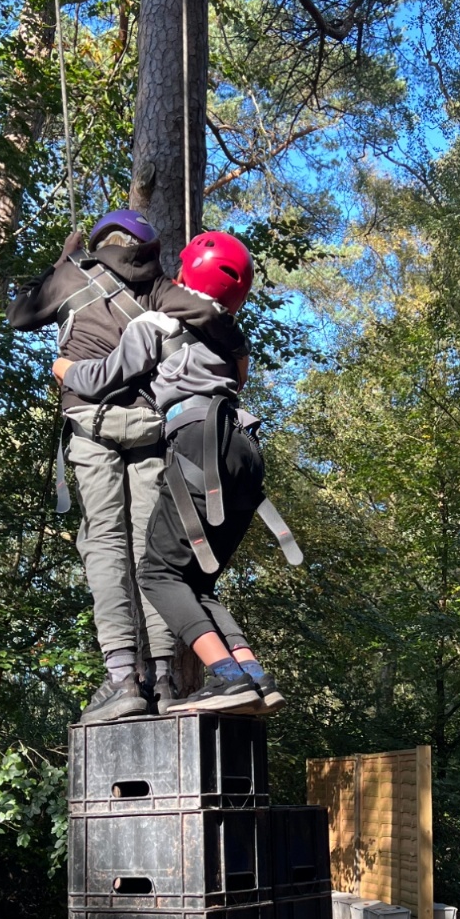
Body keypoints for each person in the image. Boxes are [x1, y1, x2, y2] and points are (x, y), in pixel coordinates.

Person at [8, 210, 249, 720]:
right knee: (152, 549)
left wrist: (58, 263)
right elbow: (211, 314)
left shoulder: (71, 275)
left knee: (104, 543)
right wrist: (237, 350)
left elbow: (20, 315)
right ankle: (164, 679)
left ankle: (122, 679)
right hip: (148, 427)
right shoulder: (160, 287)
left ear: (101, 242)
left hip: (90, 421)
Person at [55, 231, 286, 715]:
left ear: (182, 274)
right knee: (196, 582)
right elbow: (237, 378)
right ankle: (254, 677)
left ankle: (227, 679)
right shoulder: (234, 341)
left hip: (199, 442)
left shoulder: (156, 323)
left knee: (157, 573)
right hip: (243, 447)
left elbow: (104, 378)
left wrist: (65, 370)